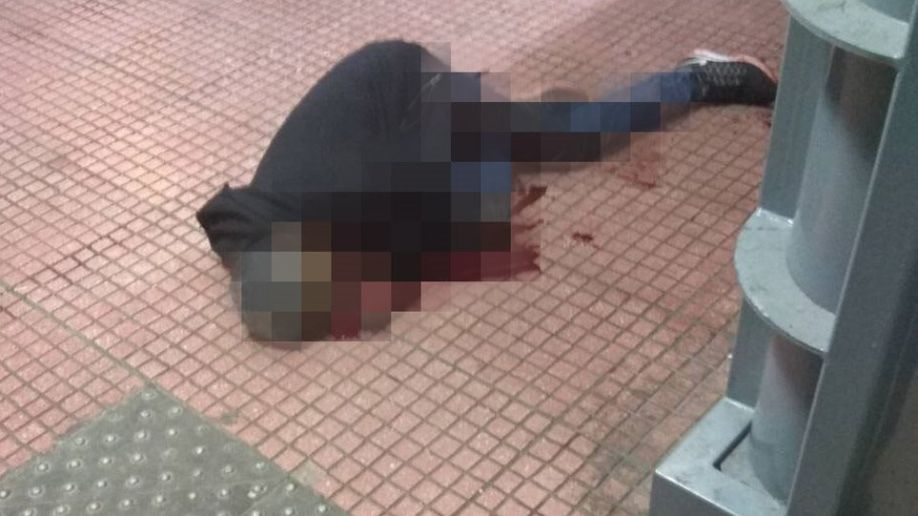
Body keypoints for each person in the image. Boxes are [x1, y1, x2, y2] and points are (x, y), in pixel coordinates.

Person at [197, 40, 777, 342]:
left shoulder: (307, 213)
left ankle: (698, 77)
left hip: (404, 84)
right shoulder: (268, 228)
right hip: (385, 126)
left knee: (566, 142)